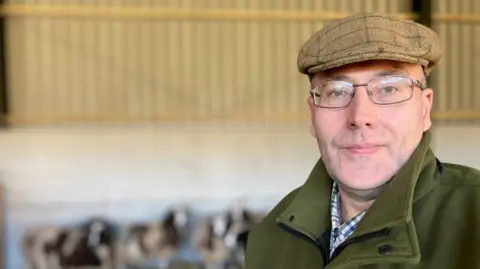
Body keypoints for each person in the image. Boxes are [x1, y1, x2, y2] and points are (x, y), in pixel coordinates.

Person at [243, 12, 480, 269]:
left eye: (389, 88)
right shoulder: (271, 238)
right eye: (336, 92)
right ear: (312, 114)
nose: (360, 116)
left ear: (424, 110)